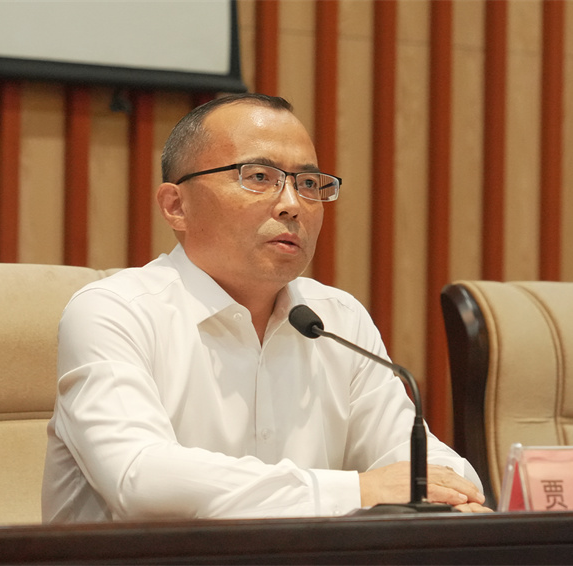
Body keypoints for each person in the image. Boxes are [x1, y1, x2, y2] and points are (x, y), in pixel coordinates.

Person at [41, 93, 488, 522]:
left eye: (308, 184)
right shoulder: (115, 312)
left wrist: (450, 491)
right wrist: (357, 491)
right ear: (176, 206)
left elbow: (415, 458)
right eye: (258, 177)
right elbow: (140, 480)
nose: (292, 205)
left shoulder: (337, 319)